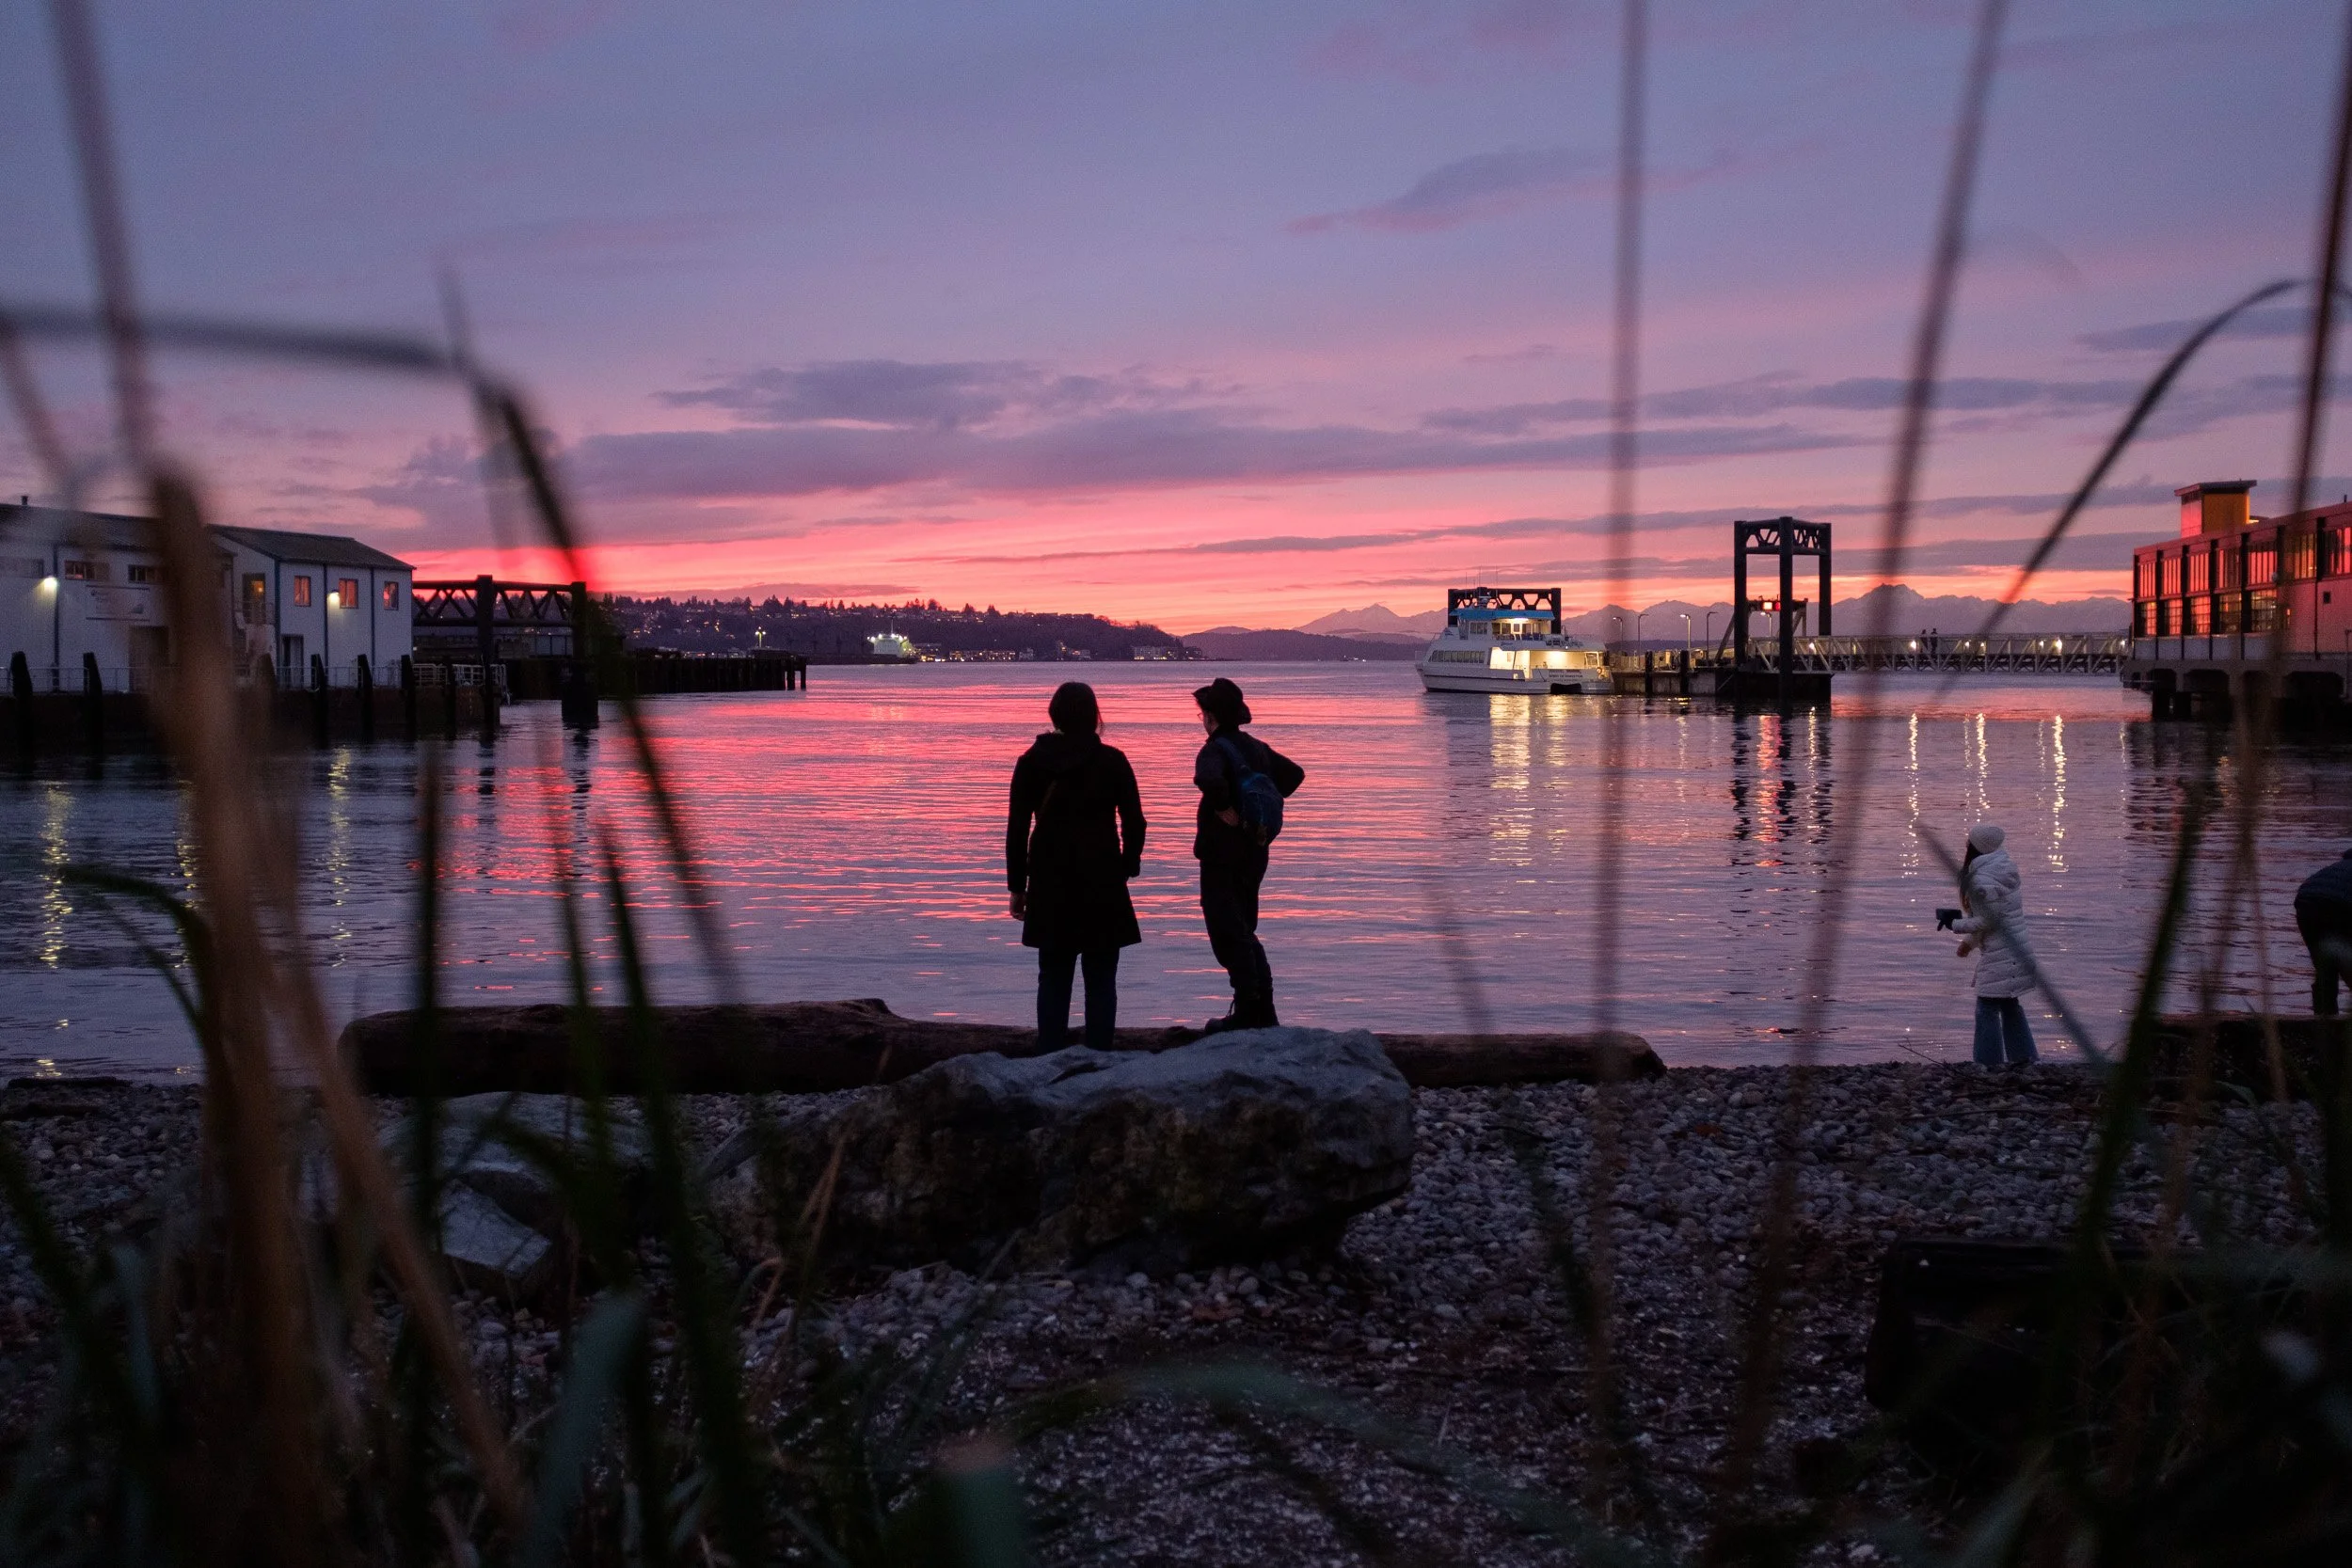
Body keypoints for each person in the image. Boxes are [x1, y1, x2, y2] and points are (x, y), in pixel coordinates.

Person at [1006, 682, 1145, 1051]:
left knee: (1053, 974)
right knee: (1101, 977)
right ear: (1094, 716)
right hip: (1102, 875)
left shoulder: (1031, 762)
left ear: (1054, 715)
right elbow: (1135, 820)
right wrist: (1128, 865)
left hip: (1050, 877)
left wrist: (1017, 886)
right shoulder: (1112, 761)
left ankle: (1049, 1053)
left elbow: (1017, 829)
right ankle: (1099, 1055)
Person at [1190, 676, 1304, 1032]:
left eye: (1202, 713)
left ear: (1211, 716)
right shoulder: (1257, 748)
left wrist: (1225, 806)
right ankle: (1263, 1010)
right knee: (1244, 929)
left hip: (1221, 855)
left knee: (1227, 931)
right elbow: (1294, 776)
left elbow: (1207, 779)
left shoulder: (1215, 748)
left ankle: (1247, 1012)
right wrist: (1260, 803)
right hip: (1255, 852)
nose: (1201, 720)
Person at [1949, 823, 2037, 1066]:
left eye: (1968, 843)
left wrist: (1954, 924)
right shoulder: (2004, 868)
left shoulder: (1981, 880)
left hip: (2002, 954)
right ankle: (2025, 1059)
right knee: (2010, 1006)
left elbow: (1989, 919)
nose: (1965, 846)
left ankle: (1988, 1063)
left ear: (1975, 849)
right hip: (2016, 948)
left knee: (1986, 1007)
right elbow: (2002, 915)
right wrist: (1968, 944)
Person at [2295, 846, 2352, 1017]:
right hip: (2339, 904)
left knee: (2325, 969)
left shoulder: (2338, 867)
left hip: (2306, 902)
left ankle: (2323, 1024)